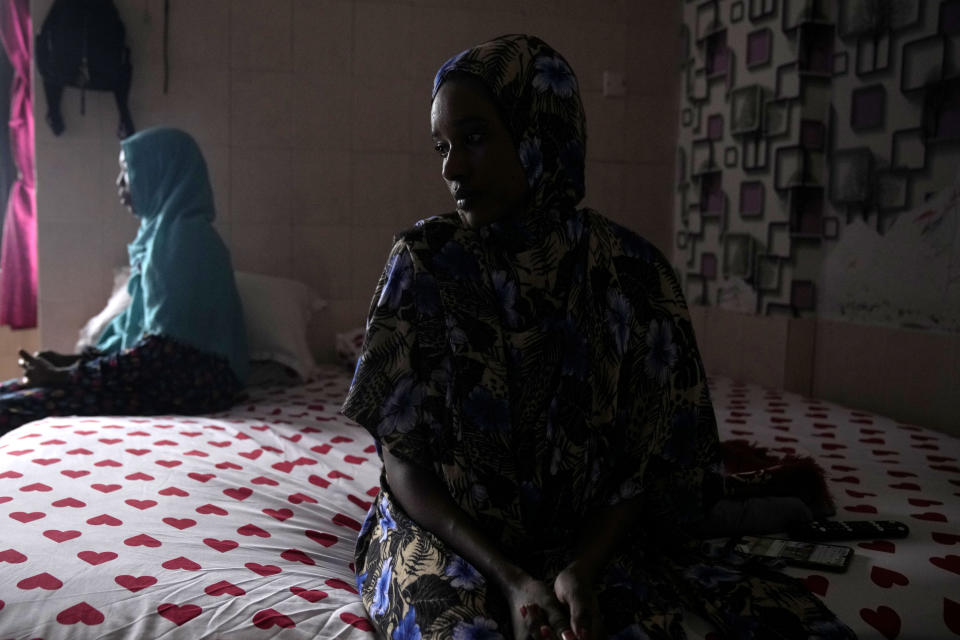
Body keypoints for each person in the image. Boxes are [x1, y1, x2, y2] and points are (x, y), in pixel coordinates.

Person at [342, 35, 854, 640]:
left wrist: (582, 569)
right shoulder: (425, 263)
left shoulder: (632, 273)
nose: (451, 167)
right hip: (446, 532)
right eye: (442, 147)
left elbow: (648, 464)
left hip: (589, 542)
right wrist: (510, 580)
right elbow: (404, 464)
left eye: (474, 137)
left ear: (539, 133)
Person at [0, 127, 248, 435]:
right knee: (8, 392)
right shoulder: (164, 234)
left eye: (127, 171)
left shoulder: (184, 240)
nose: (119, 184)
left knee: (12, 408)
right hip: (170, 377)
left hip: (194, 386)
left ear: (158, 171)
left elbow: (164, 349)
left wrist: (67, 376)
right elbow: (143, 340)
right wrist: (71, 362)